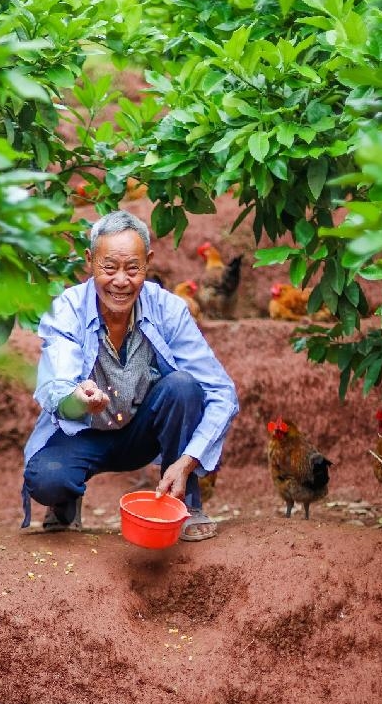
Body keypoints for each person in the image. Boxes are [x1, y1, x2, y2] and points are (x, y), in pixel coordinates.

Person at [21, 210, 239, 541]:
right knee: (47, 480)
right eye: (109, 268)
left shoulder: (168, 309)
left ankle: (185, 501)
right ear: (90, 261)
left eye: (132, 268)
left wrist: (187, 461)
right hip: (83, 433)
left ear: (148, 263)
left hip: (141, 430)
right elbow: (57, 387)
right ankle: (64, 503)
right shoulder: (68, 309)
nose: (121, 281)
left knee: (184, 387)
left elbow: (221, 392)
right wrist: (77, 400)